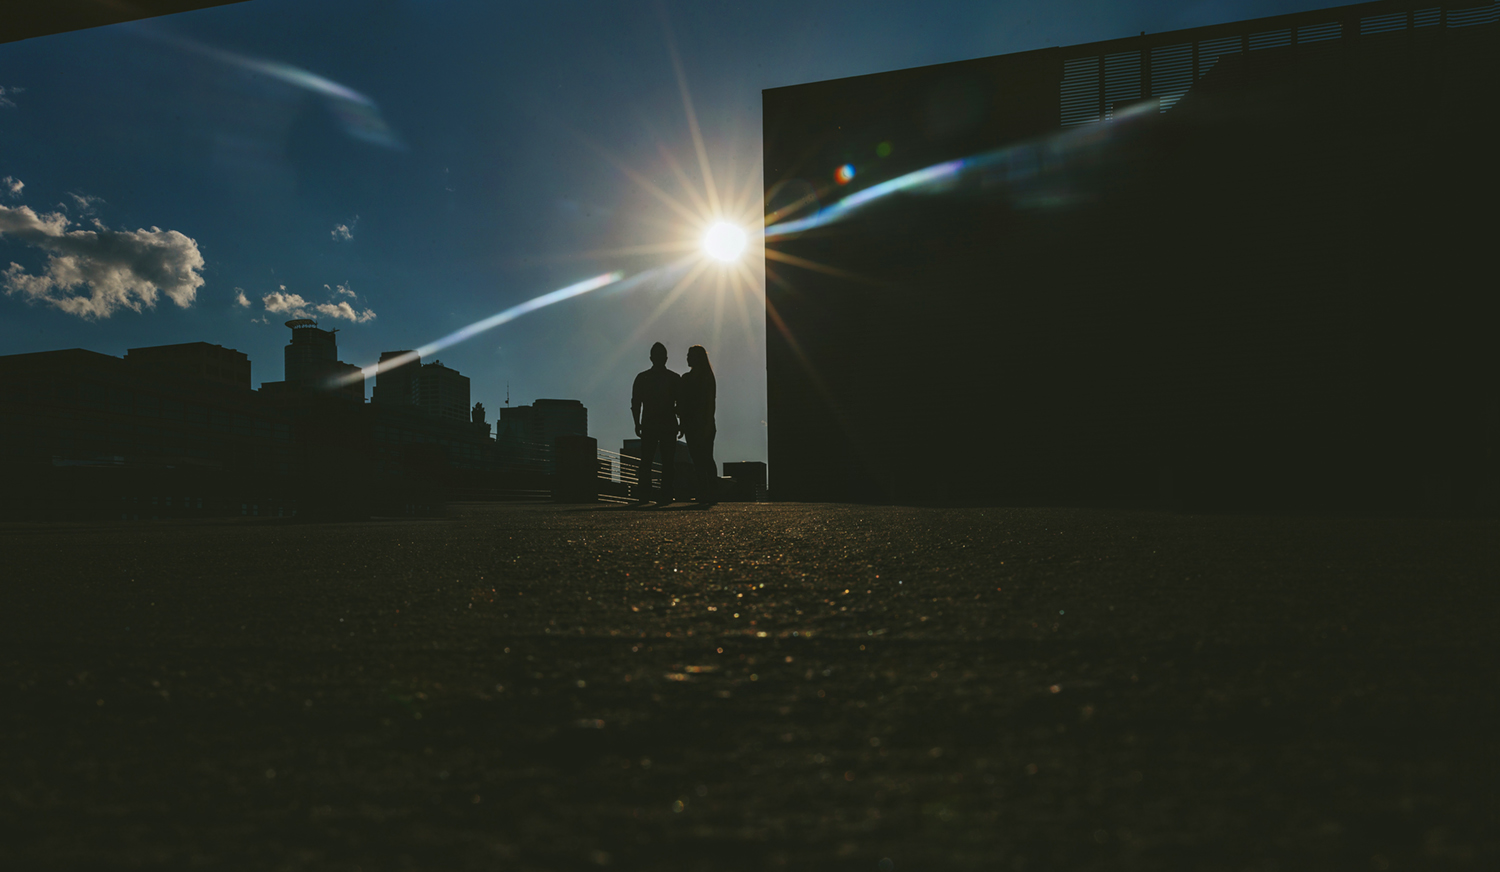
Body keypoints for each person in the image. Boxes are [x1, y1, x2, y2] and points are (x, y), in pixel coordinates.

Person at [631, 342, 680, 504]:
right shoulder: (673, 378)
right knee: (667, 461)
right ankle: (666, 493)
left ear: (651, 358)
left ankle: (645, 493)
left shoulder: (642, 377)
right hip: (667, 424)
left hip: (650, 423)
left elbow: (636, 403)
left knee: (647, 460)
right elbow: (681, 404)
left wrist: (637, 423)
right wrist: (682, 423)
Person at [678, 344, 717, 504]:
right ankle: (704, 492)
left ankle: (711, 492)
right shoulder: (686, 378)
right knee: (698, 459)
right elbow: (682, 404)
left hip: (703, 423)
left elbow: (710, 403)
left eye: (690, 355)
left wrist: (708, 423)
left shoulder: (706, 377)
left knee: (706, 458)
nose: (687, 357)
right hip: (691, 425)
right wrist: (682, 424)